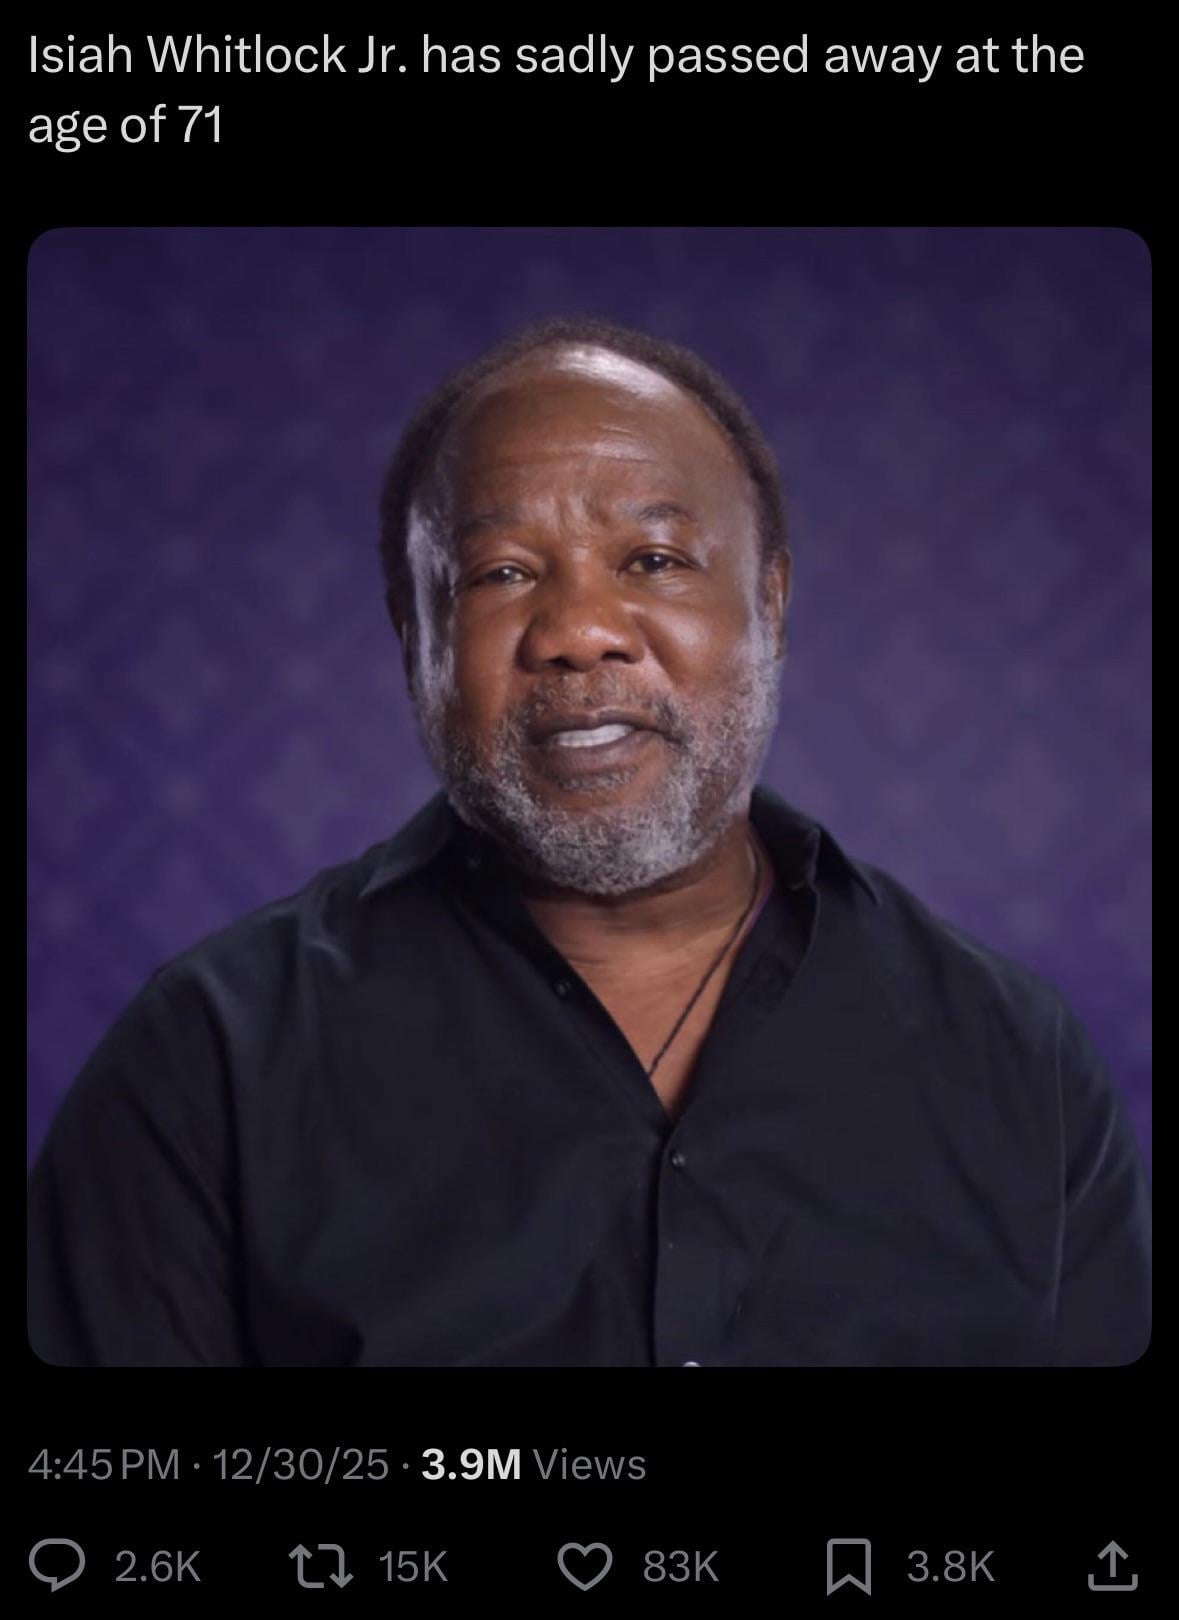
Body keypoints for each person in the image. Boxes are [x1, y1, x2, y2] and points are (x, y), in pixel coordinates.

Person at [27, 316, 1151, 1367]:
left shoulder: (1016, 1059)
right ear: (413, 638)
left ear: (770, 601)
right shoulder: (206, 1061)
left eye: (653, 559)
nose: (578, 633)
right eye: (502, 574)